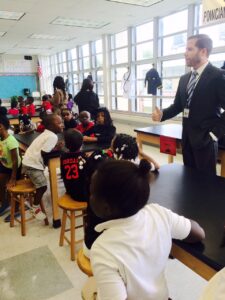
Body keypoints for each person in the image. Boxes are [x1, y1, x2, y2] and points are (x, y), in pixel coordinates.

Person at [87, 159, 205, 300]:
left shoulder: (103, 249)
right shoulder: (158, 213)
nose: (90, 197)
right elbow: (199, 233)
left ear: (106, 207)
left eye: (92, 193)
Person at [152, 34, 225, 174]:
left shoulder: (217, 76)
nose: (185, 53)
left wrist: (214, 135)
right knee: (189, 181)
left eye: (189, 49)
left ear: (203, 51)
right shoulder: (184, 79)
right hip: (187, 139)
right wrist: (162, 115)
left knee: (205, 185)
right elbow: (178, 106)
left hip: (206, 141)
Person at [83, 133, 159, 257]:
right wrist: (142, 153)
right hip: (109, 247)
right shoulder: (132, 171)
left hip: (94, 239)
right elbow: (156, 166)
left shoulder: (105, 164)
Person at [22, 114, 63, 220]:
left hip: (28, 161)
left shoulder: (46, 133)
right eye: (59, 123)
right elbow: (45, 153)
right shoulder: (52, 136)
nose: (61, 125)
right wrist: (58, 149)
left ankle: (27, 200)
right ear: (50, 125)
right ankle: (34, 209)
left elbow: (45, 149)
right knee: (43, 186)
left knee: (40, 184)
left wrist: (55, 147)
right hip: (32, 165)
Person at [0, 115, 21, 220]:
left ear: (1, 127)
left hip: (15, 167)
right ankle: (5, 203)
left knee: (11, 188)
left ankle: (17, 209)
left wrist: (13, 177)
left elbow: (15, 161)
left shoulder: (11, 141)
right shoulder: (1, 138)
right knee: (1, 184)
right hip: (4, 165)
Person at [60, 129, 88, 201]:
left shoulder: (63, 157)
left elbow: (63, 174)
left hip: (70, 191)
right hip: (84, 194)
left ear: (66, 144)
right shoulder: (84, 157)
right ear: (82, 143)